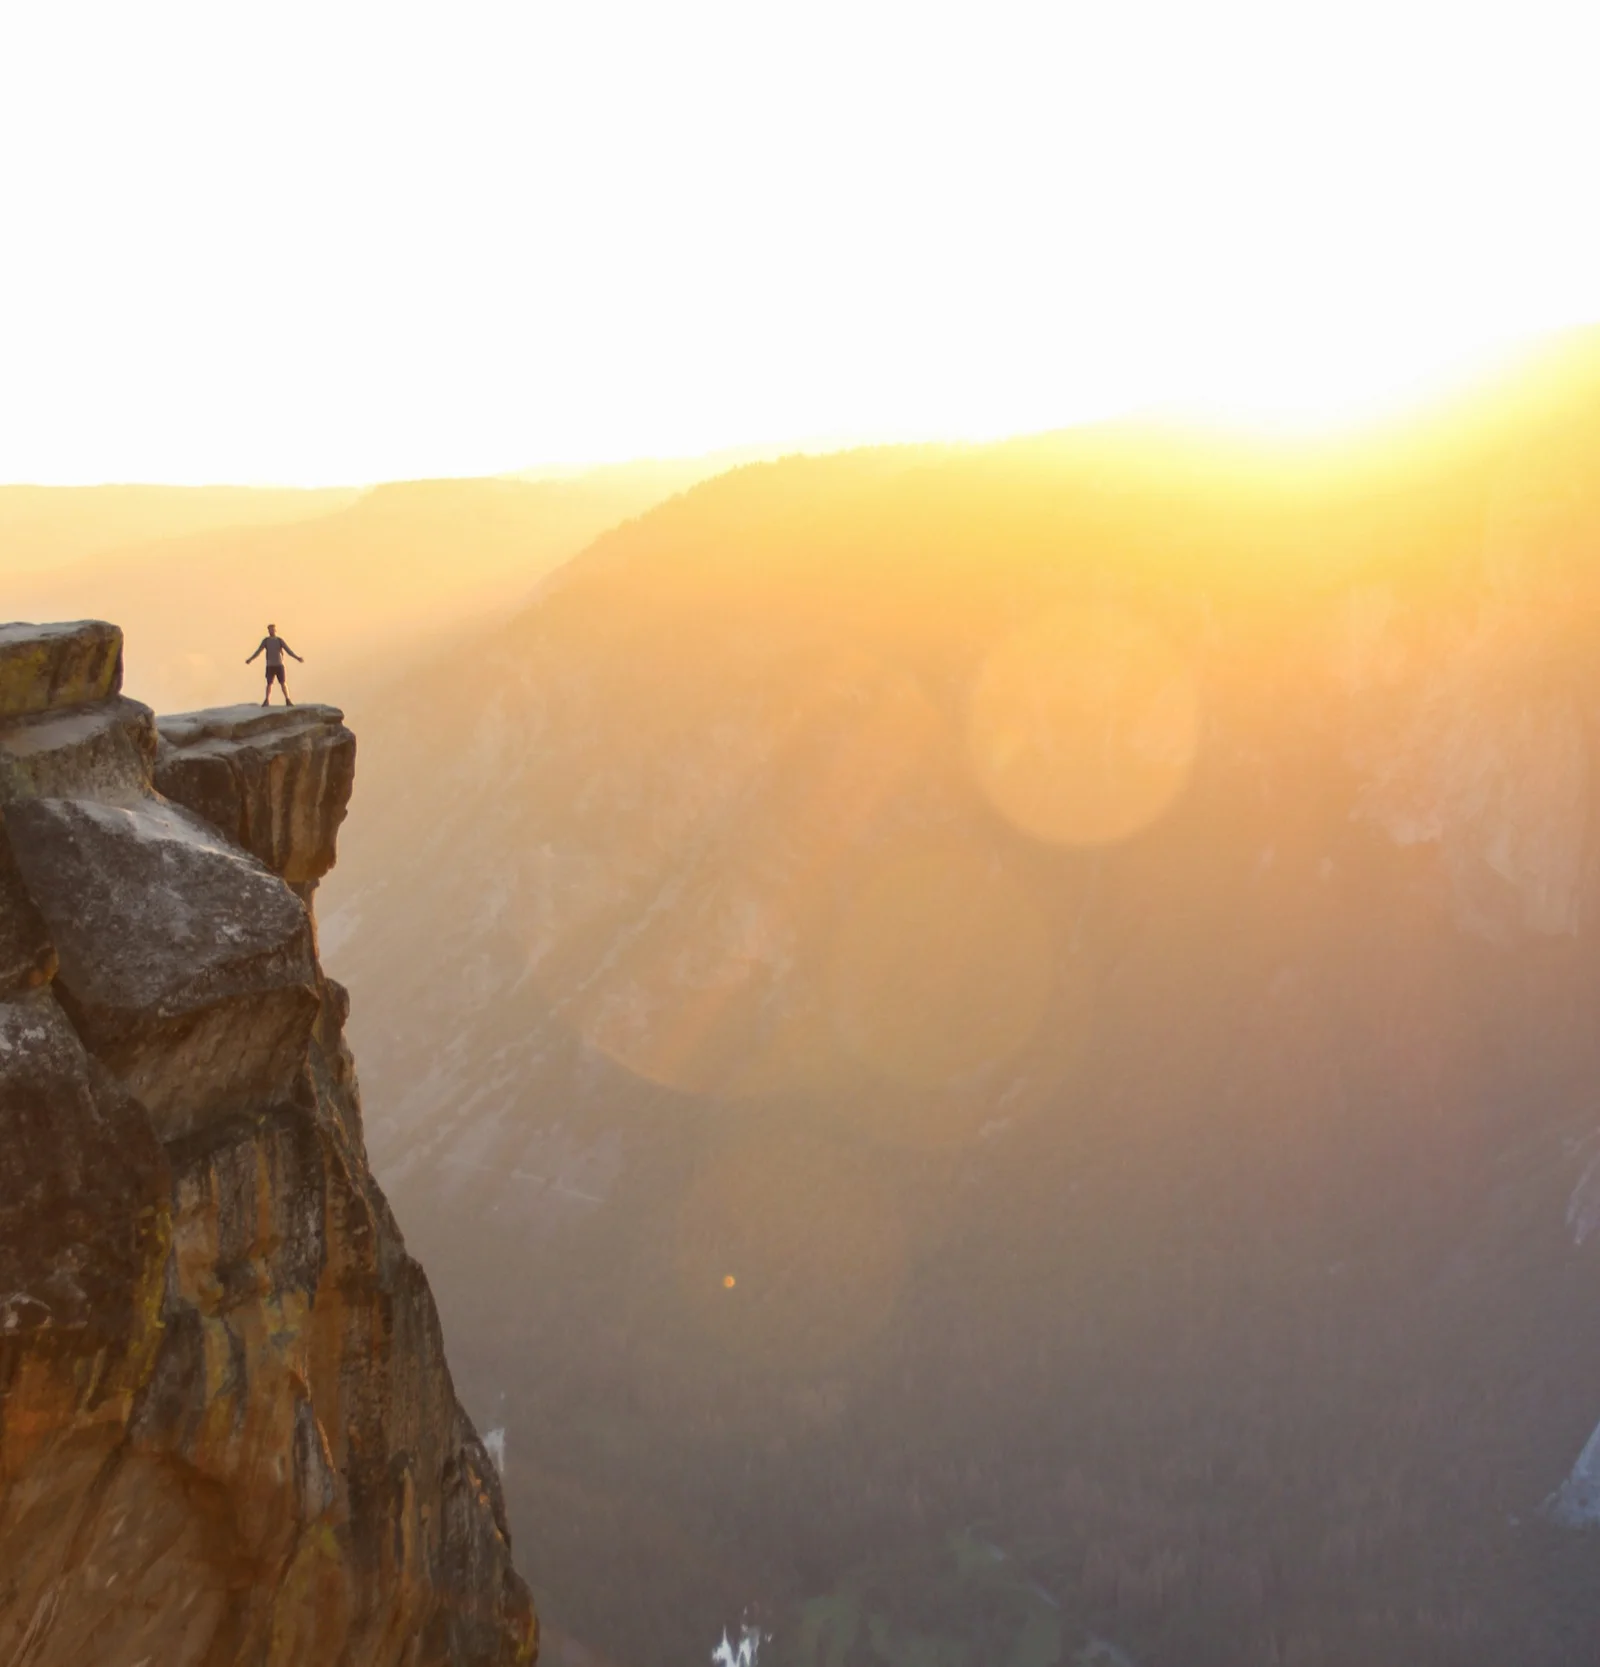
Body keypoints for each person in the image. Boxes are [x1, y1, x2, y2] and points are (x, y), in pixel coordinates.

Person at [245, 624, 304, 705]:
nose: (271, 631)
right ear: (268, 631)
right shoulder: (266, 641)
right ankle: (267, 700)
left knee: (283, 682)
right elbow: (258, 651)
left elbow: (288, 650)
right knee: (269, 683)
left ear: (275, 630)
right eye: (270, 630)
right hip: (270, 665)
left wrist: (297, 658)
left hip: (279, 665)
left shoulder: (279, 640)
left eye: (273, 629)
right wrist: (250, 659)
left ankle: (287, 699)